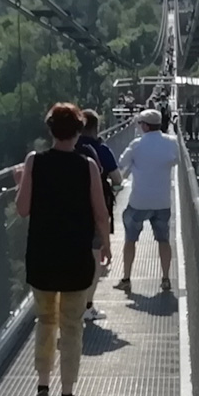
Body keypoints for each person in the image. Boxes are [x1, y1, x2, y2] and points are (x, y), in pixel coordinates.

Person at [15, 103, 111, 396]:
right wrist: (106, 244)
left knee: (45, 322)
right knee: (71, 327)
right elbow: (100, 213)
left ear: (50, 130)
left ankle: (42, 390)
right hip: (76, 260)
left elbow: (22, 209)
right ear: (79, 131)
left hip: (42, 258)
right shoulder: (88, 166)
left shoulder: (34, 161)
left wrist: (20, 182)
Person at [115, 107, 178, 295]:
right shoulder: (172, 142)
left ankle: (126, 279)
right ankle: (165, 278)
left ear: (145, 126)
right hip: (162, 202)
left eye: (140, 123)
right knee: (163, 240)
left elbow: (121, 163)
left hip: (139, 201)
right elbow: (176, 161)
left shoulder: (137, 145)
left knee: (130, 240)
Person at [75, 109, 121, 322]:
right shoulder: (100, 149)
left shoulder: (67, 148)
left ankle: (70, 305)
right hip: (94, 211)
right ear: (96, 127)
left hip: (67, 214)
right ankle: (87, 306)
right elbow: (117, 178)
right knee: (93, 259)